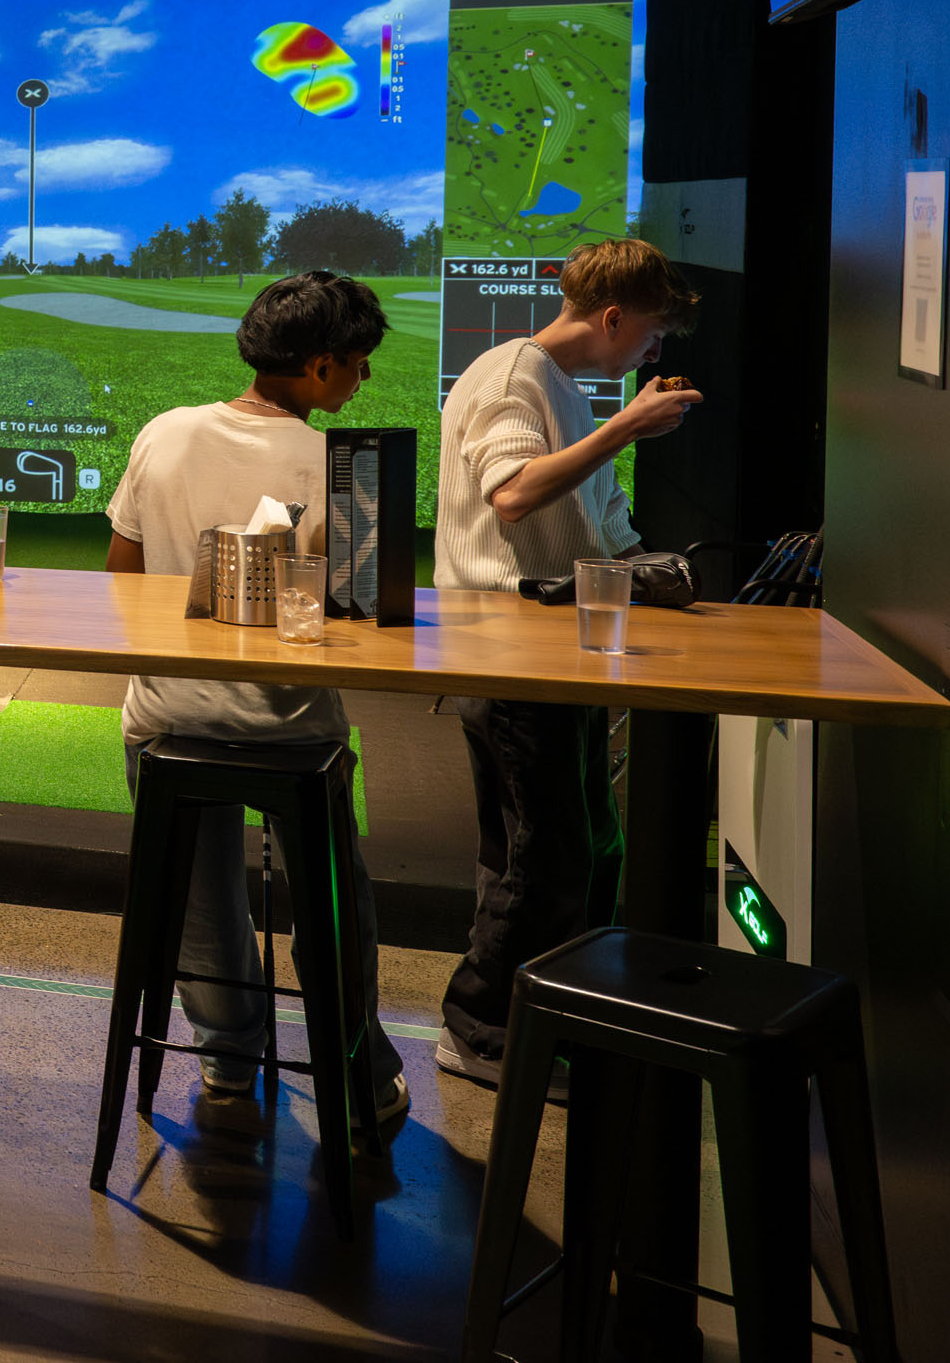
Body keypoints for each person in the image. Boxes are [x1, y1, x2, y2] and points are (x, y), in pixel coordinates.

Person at [104, 270, 407, 1131]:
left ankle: (228, 1063)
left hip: (164, 724)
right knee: (335, 909)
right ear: (318, 365)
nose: (363, 378)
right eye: (358, 361)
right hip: (291, 731)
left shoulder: (164, 431)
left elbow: (122, 582)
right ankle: (358, 1071)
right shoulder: (338, 463)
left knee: (200, 908)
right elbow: (363, 621)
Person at [432, 237, 702, 1091]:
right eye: (651, 333)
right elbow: (512, 492)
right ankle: (483, 1035)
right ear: (613, 317)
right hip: (510, 654)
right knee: (543, 860)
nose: (653, 354)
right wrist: (627, 428)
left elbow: (601, 524)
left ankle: (549, 1020)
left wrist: (655, 573)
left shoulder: (563, 391)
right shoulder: (514, 378)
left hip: (552, 653)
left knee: (577, 848)